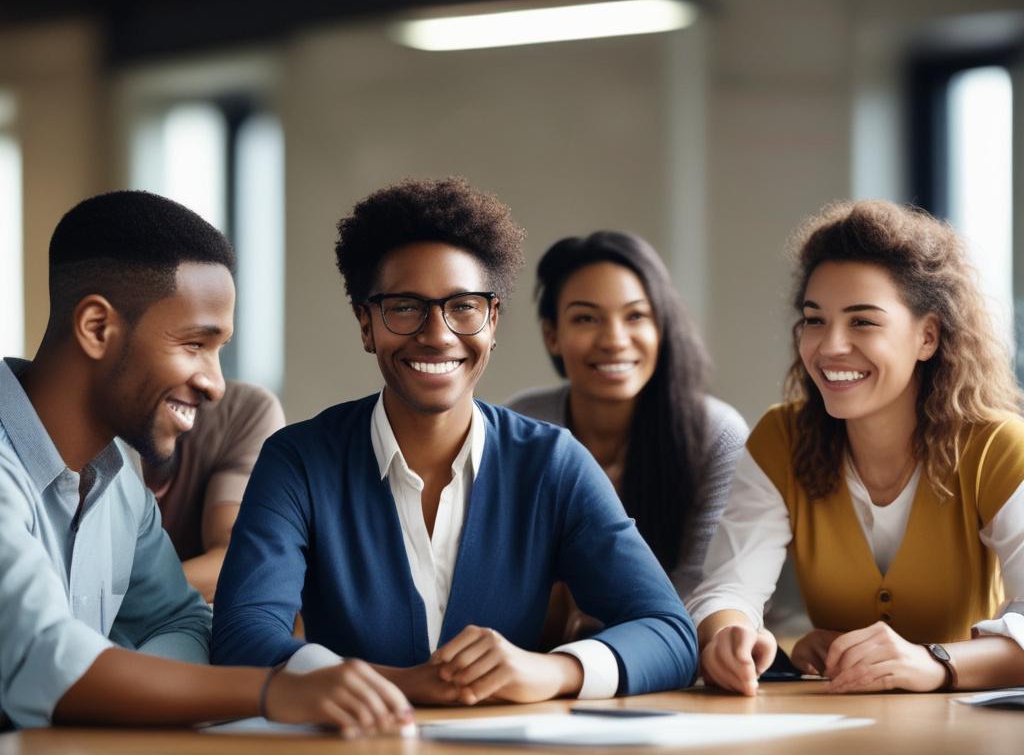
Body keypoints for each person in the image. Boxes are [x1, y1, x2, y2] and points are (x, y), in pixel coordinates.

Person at [212, 177, 699, 705]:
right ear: (365, 324)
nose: (438, 334)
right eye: (404, 307)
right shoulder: (299, 461)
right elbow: (242, 637)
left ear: (493, 320)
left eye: (464, 306)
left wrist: (550, 672)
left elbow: (670, 633)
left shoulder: (552, 464)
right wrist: (398, 686)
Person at [0, 190, 411, 733]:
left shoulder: (120, 476)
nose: (216, 384)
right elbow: (45, 661)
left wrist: (113, 688)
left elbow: (181, 619)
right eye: (195, 344)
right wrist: (273, 691)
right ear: (97, 328)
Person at [688, 200, 1024, 695]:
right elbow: (729, 587)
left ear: (927, 336)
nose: (829, 347)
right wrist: (728, 636)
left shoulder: (997, 447)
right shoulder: (781, 440)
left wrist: (932, 663)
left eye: (862, 322)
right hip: (836, 720)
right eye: (815, 320)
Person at [507, 231, 748, 606]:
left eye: (636, 315)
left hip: (687, 654)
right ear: (552, 335)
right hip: (541, 653)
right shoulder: (521, 426)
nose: (615, 340)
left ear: (662, 329)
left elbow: (709, 588)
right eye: (586, 318)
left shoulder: (717, 434)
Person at [139, 380, 285, 602]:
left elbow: (237, 556)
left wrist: (123, 603)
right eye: (193, 345)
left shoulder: (240, 413)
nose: (215, 384)